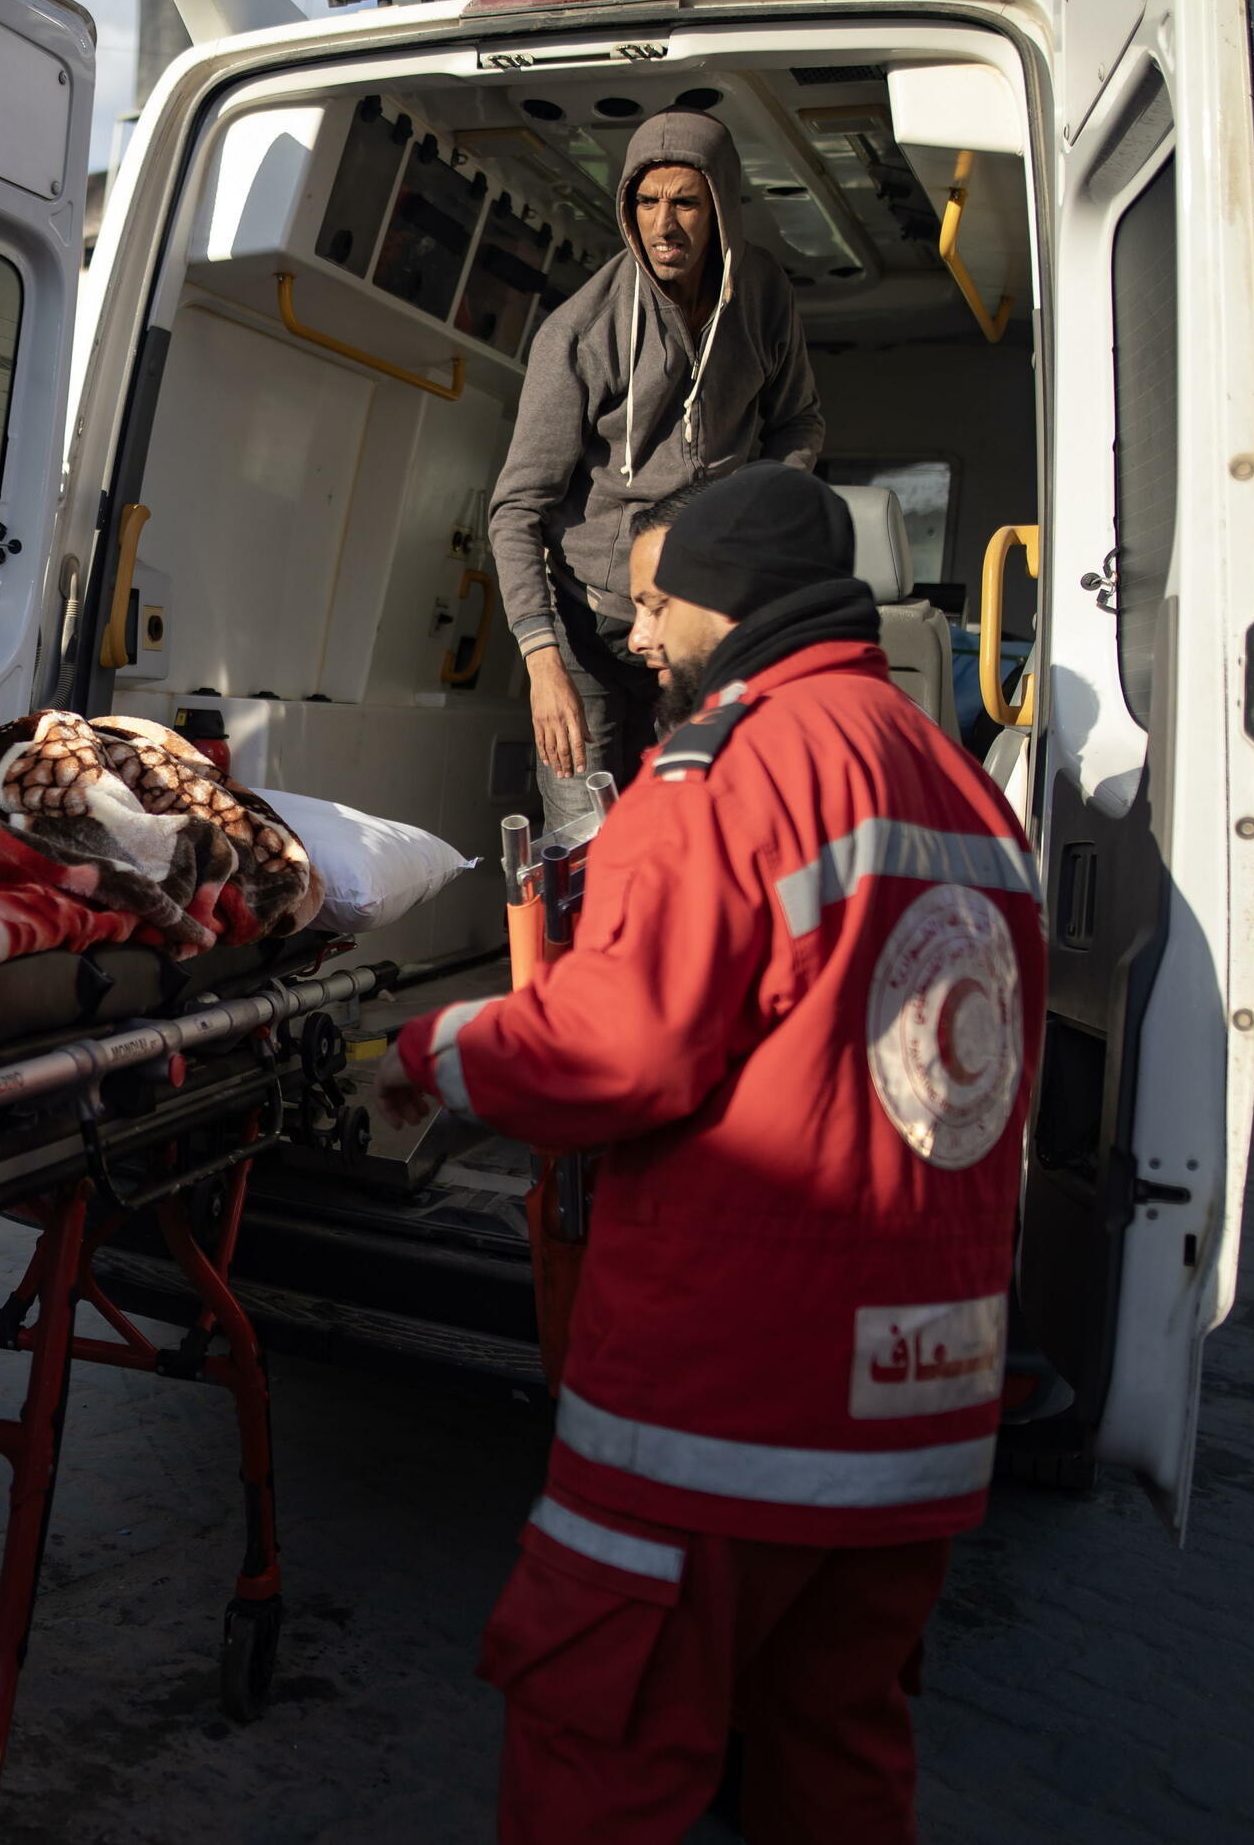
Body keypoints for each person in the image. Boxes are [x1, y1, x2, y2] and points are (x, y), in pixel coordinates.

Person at [380, 462, 1044, 1843]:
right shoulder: (972, 801)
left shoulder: (727, 778)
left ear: (731, 607)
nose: (638, 639)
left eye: (654, 607)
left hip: (723, 1413)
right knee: (836, 1762)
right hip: (917, 1420)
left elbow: (617, 1051)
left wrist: (429, 1056)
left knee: (599, 1750)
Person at [488, 108, 826, 833]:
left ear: (722, 210)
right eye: (647, 202)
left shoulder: (763, 295)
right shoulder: (578, 333)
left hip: (706, 624)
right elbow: (515, 510)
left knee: (706, 833)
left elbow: (799, 421)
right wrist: (543, 665)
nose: (664, 225)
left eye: (685, 202)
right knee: (586, 849)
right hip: (592, 629)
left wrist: (757, 519)